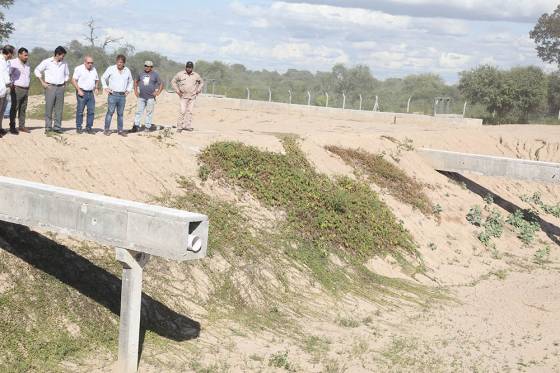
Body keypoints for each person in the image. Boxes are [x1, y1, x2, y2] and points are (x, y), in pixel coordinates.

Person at [34, 46, 69, 134]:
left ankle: (57, 127)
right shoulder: (47, 62)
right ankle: (48, 128)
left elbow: (67, 74)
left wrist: (64, 82)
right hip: (50, 87)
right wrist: (42, 82)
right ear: (57, 54)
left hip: (60, 87)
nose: (63, 57)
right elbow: (37, 70)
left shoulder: (64, 63)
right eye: (62, 56)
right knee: (49, 108)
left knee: (59, 109)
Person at [101, 54, 133, 136]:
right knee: (110, 112)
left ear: (124, 63)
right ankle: (106, 129)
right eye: (118, 62)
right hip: (113, 94)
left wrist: (128, 90)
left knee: (120, 114)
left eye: (121, 62)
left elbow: (131, 81)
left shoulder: (127, 70)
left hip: (122, 95)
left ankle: (120, 131)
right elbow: (103, 78)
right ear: (116, 62)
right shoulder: (111, 69)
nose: (119, 64)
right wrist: (105, 87)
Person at [171, 61, 204, 132]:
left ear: (192, 68)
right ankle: (179, 126)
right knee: (182, 111)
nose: (189, 69)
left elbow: (201, 82)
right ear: (185, 67)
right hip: (183, 96)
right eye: (188, 67)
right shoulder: (180, 74)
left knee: (190, 111)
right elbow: (173, 81)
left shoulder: (196, 75)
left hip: (192, 96)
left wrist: (198, 90)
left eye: (190, 67)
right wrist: (177, 91)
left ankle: (187, 126)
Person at [131, 60, 163, 133]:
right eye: (145, 66)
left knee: (149, 112)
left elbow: (161, 84)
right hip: (141, 96)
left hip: (150, 97)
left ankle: (147, 127)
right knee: (138, 112)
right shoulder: (140, 73)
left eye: (149, 66)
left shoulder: (155, 75)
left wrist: (158, 92)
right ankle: (136, 126)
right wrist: (135, 91)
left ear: (151, 67)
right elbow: (135, 81)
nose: (147, 67)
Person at [71, 56, 99, 134]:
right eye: (88, 63)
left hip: (90, 93)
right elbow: (73, 80)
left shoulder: (94, 70)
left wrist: (96, 88)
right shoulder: (79, 69)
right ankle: (79, 127)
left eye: (92, 63)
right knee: (80, 111)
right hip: (82, 92)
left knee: (91, 111)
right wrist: (78, 90)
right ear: (84, 62)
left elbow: (97, 79)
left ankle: (89, 128)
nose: (90, 64)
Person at [9, 47, 31, 135]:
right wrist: (11, 84)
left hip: (26, 89)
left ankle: (22, 126)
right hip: (16, 88)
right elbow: (8, 74)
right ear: (19, 54)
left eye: (27, 55)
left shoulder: (27, 64)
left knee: (23, 108)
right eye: (25, 55)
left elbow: (27, 76)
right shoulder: (13, 63)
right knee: (14, 108)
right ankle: (12, 127)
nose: (27, 57)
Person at [0, 45, 14, 137]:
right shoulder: (1, 61)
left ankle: (0, 128)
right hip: (1, 87)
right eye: (12, 53)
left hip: (5, 89)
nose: (13, 55)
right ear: (8, 53)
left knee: (2, 110)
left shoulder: (7, 62)